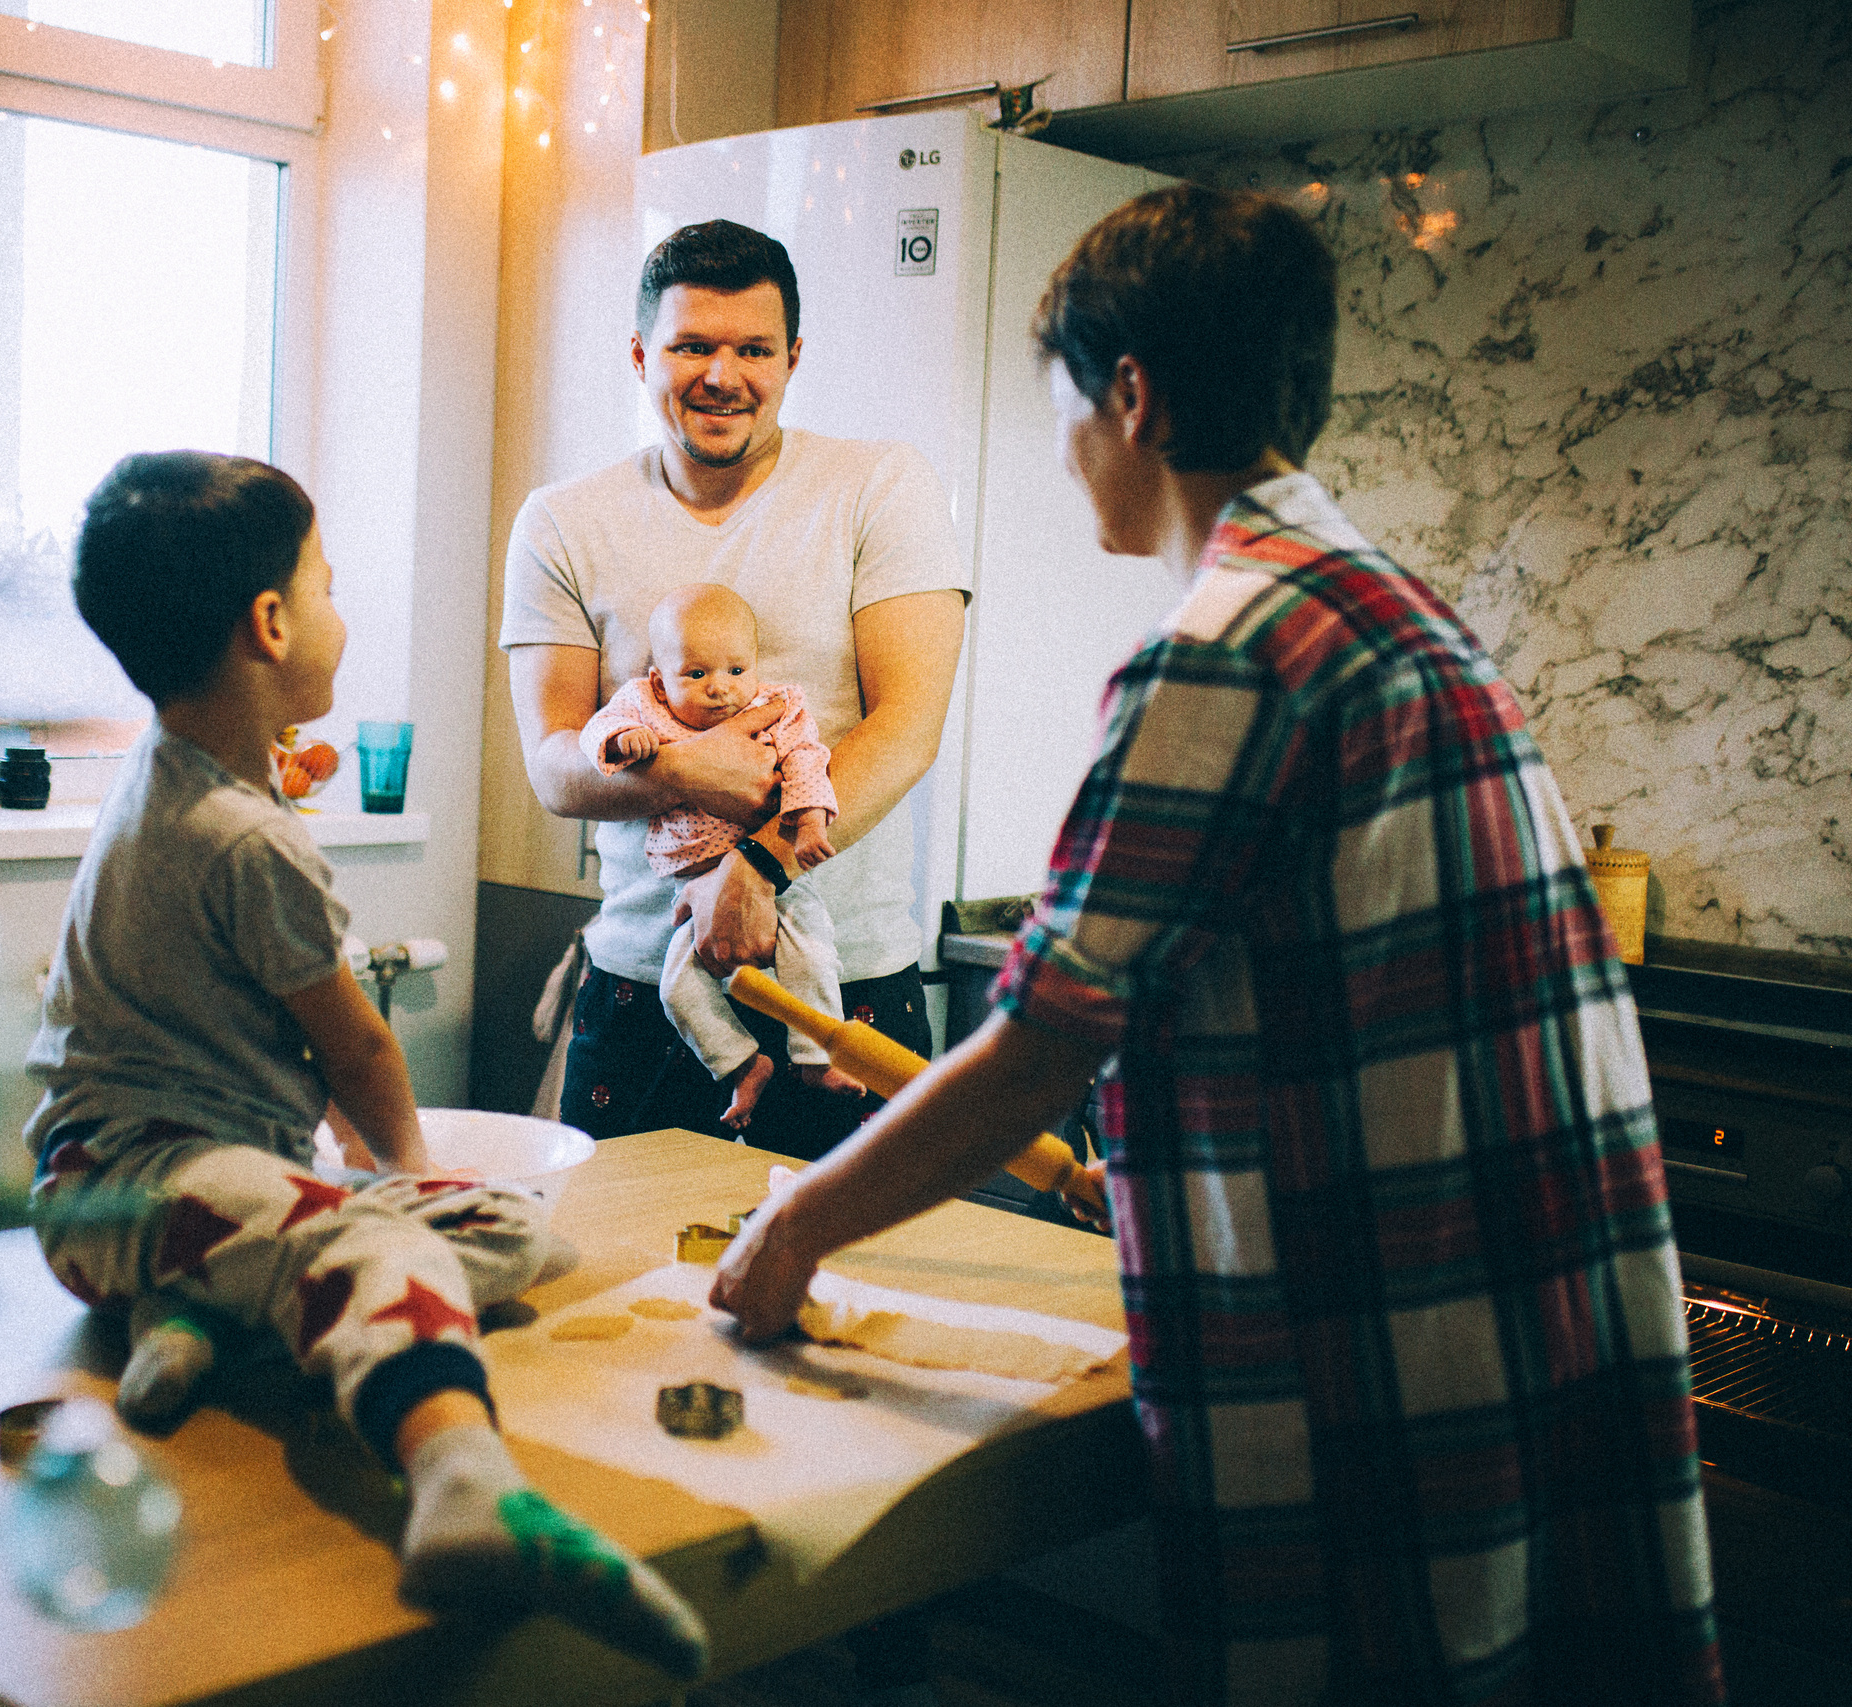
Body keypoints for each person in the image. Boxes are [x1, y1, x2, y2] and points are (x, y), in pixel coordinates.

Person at [710, 184, 1722, 1706]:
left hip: (1386, 1329)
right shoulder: (1387, 605)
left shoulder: (1224, 648)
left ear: (1132, 395)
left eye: (1065, 406)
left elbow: (1041, 1041)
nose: (1060, 451)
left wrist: (789, 1235)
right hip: (1535, 1305)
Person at [23, 450, 708, 1680]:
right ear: (271, 624)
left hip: (135, 1205)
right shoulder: (244, 840)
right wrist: (400, 1183)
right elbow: (355, 1045)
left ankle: (191, 1319)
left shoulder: (163, 778)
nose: (342, 614)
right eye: (328, 586)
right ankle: (464, 1478)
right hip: (132, 1186)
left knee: (509, 1231)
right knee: (402, 1237)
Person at [502, 218, 969, 1159]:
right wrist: (686, 771)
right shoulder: (561, 521)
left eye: (753, 348)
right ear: (642, 355)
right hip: (644, 979)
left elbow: (908, 729)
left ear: (794, 358)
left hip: (850, 984)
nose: (723, 375)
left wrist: (756, 868)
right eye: (692, 347)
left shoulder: (880, 486)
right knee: (619, 1288)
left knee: (856, 1296)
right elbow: (555, 768)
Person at [583, 581, 861, 1129]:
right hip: (688, 893)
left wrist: (807, 823)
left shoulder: (777, 708)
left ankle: (815, 1059)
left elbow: (808, 761)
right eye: (697, 674)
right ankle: (741, 1065)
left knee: (813, 958)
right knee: (678, 988)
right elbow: (596, 732)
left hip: (779, 877)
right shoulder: (644, 708)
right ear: (662, 682)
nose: (721, 690)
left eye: (737, 671)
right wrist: (623, 744)